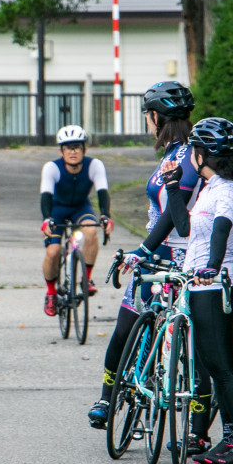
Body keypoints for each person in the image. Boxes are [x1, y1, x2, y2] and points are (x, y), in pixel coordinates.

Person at [122, 117, 233, 464]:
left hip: (215, 283)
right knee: (213, 365)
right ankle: (231, 439)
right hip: (198, 283)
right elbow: (183, 226)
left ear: (200, 154)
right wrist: (171, 187)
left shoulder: (227, 190)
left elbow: (221, 229)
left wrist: (211, 265)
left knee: (223, 366)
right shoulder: (208, 189)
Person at [88, 82, 202, 434]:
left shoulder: (185, 157)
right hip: (160, 249)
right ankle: (114, 397)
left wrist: (142, 251)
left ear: (156, 117)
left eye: (148, 117)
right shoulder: (175, 152)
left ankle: (108, 399)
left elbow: (173, 214)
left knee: (126, 328)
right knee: (137, 327)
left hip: (169, 252)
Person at [39, 125, 113, 317]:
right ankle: (51, 292)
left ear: (84, 150)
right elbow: (46, 196)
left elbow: (102, 192)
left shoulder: (94, 165)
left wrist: (105, 216)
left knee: (90, 231)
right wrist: (47, 219)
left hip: (81, 207)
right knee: (53, 251)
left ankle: (85, 279)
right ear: (61, 151)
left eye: (77, 147)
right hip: (56, 209)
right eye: (68, 147)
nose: (73, 151)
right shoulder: (52, 167)